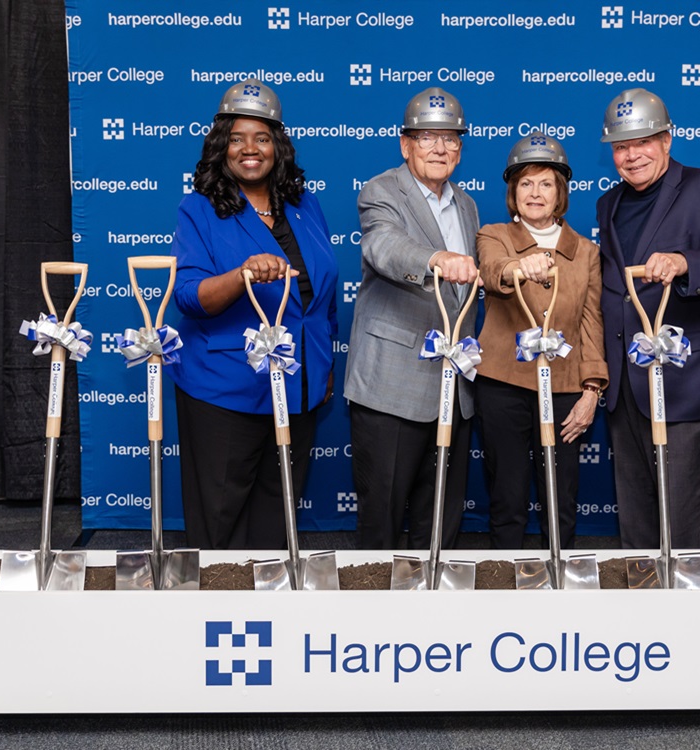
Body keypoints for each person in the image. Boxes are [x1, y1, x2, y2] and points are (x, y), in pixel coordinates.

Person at [168, 79, 338, 550]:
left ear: (277, 147)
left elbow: (322, 297)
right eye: (237, 139)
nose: (250, 149)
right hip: (225, 388)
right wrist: (242, 274)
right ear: (221, 148)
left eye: (262, 138)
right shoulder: (199, 209)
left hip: (298, 384)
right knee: (220, 518)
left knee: (278, 511)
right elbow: (189, 297)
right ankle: (216, 614)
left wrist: (324, 367)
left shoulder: (305, 206)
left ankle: (270, 609)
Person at [596, 88, 700, 550]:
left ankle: (684, 614)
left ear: (667, 139)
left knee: (682, 514)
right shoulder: (610, 204)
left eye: (643, 142)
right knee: (636, 512)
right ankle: (640, 602)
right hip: (626, 381)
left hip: (686, 378)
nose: (631, 155)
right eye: (621, 147)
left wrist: (685, 263)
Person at [343, 87, 480, 550]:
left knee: (439, 519)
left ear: (460, 149)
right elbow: (384, 247)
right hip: (391, 388)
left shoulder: (466, 204)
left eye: (450, 138)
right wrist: (437, 257)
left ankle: (436, 613)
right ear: (406, 145)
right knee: (381, 518)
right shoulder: (381, 191)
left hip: (452, 387)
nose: (440, 148)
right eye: (427, 137)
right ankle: (374, 614)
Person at [476, 132, 608, 550]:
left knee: (561, 495)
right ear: (513, 192)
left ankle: (559, 582)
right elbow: (494, 272)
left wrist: (592, 390)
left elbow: (591, 322)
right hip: (503, 383)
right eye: (526, 184)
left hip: (567, 386)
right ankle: (504, 582)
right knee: (508, 496)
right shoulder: (494, 234)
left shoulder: (586, 252)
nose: (535, 193)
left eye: (546, 183)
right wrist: (521, 266)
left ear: (560, 193)